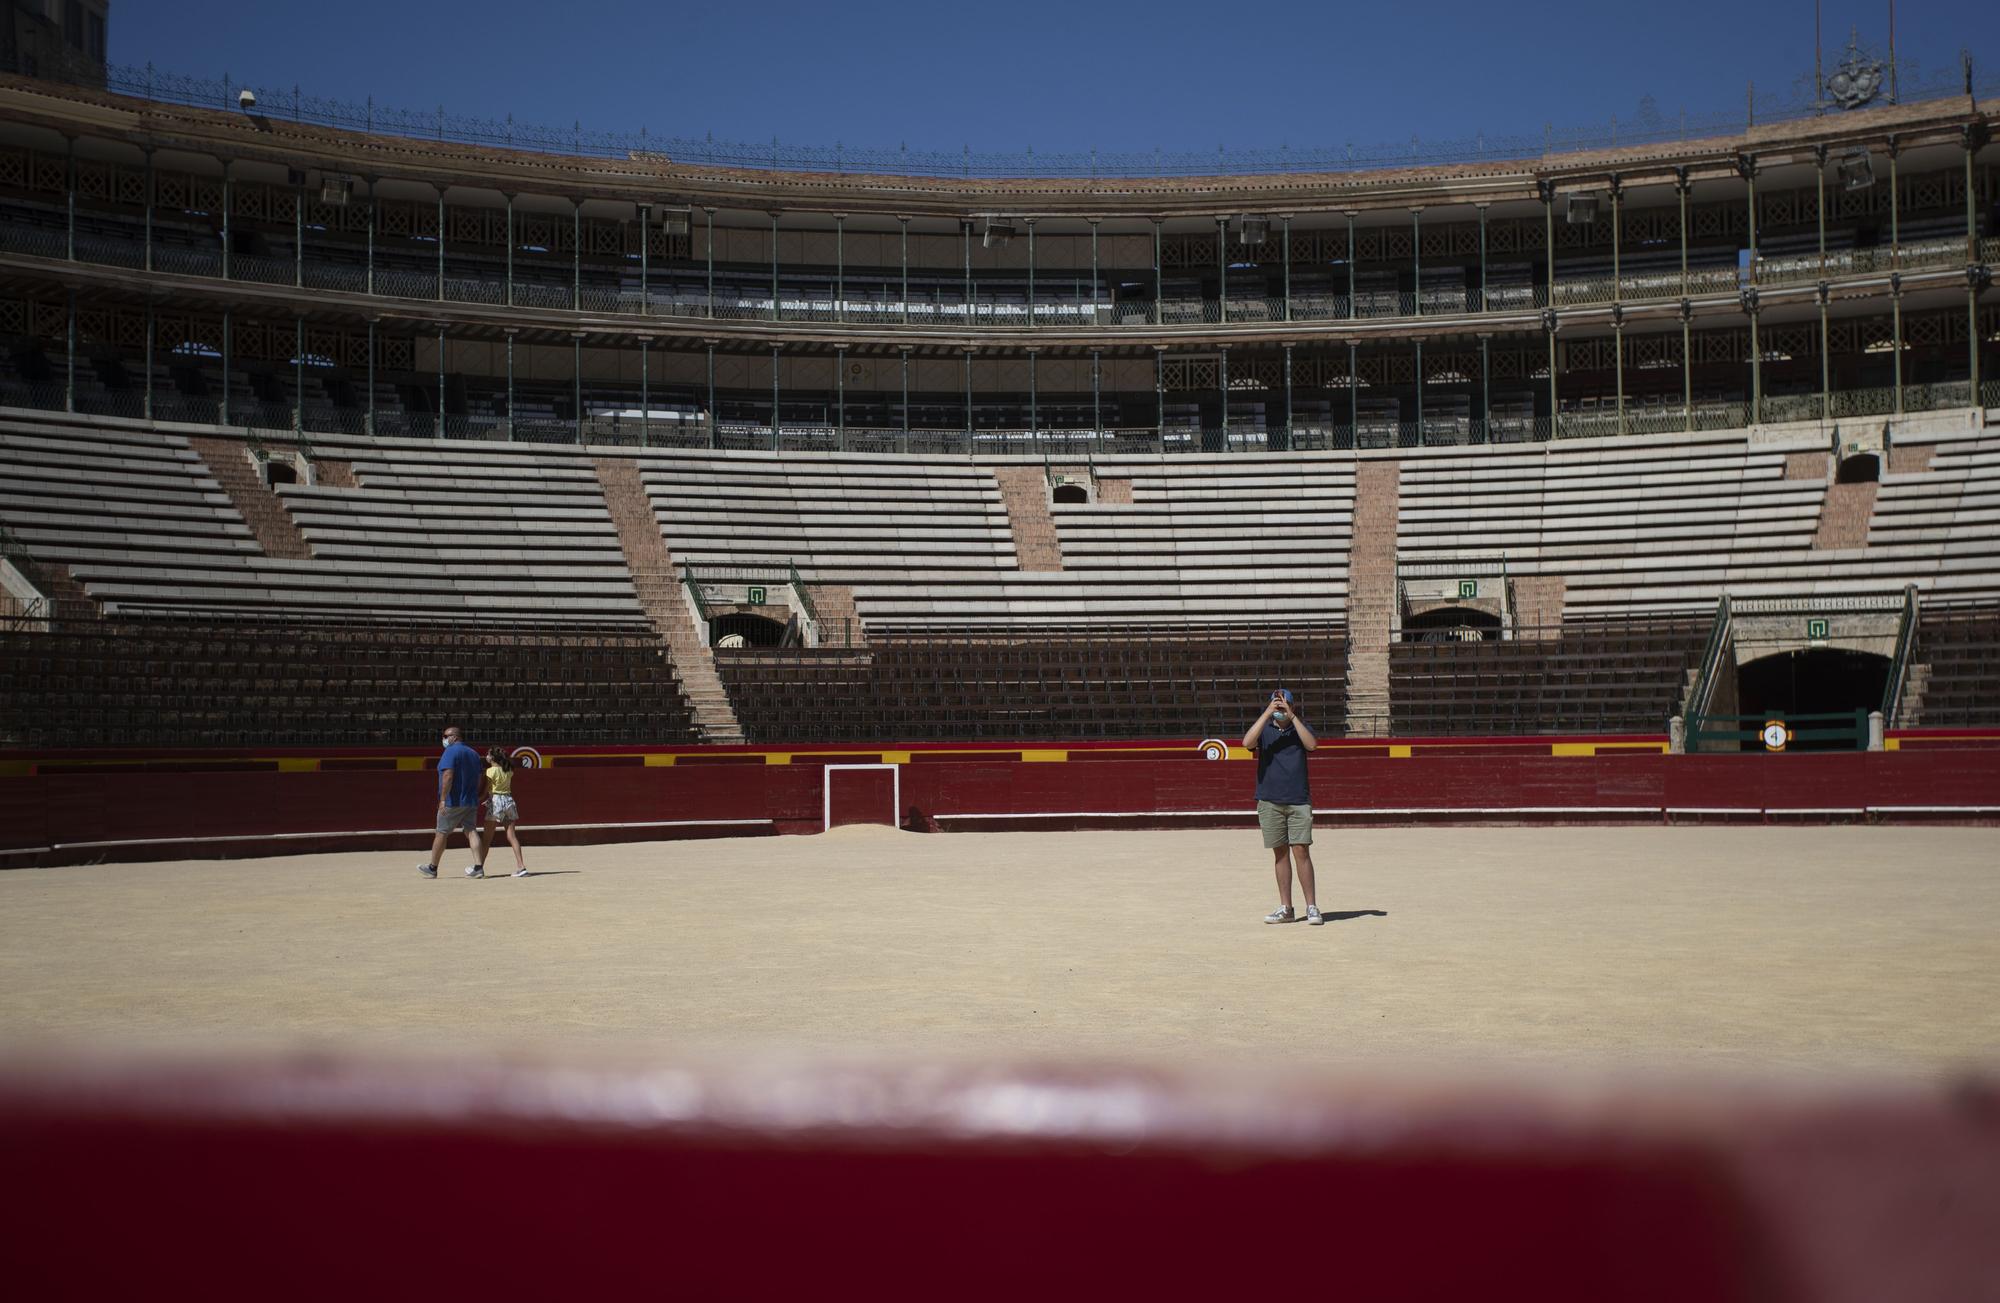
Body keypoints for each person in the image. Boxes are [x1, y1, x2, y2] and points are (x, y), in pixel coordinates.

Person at [1241, 688, 1321, 924]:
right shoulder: (1264, 730)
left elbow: (1312, 745)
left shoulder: (1300, 729)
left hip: (1298, 799)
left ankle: (1312, 906)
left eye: (1284, 705)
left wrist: (1292, 717)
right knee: (1280, 853)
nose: (1280, 710)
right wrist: (1267, 713)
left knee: (1301, 851)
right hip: (1269, 799)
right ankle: (1286, 908)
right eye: (1276, 705)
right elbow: (1247, 742)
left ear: (1292, 707)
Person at [419, 724, 487, 879]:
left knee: (441, 832)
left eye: (445, 736)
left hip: (452, 800)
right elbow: (479, 777)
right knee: (471, 831)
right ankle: (478, 867)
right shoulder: (473, 753)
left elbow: (448, 776)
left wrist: (443, 799)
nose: (443, 739)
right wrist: (474, 794)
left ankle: (432, 867)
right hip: (470, 801)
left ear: (454, 737)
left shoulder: (450, 752)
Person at [482, 746, 529, 878]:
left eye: (488, 754)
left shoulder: (490, 771)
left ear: (492, 758)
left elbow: (488, 789)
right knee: (512, 836)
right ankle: (521, 866)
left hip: (496, 802)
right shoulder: (508, 770)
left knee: (487, 839)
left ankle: (479, 867)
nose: (486, 756)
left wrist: (485, 799)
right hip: (508, 800)